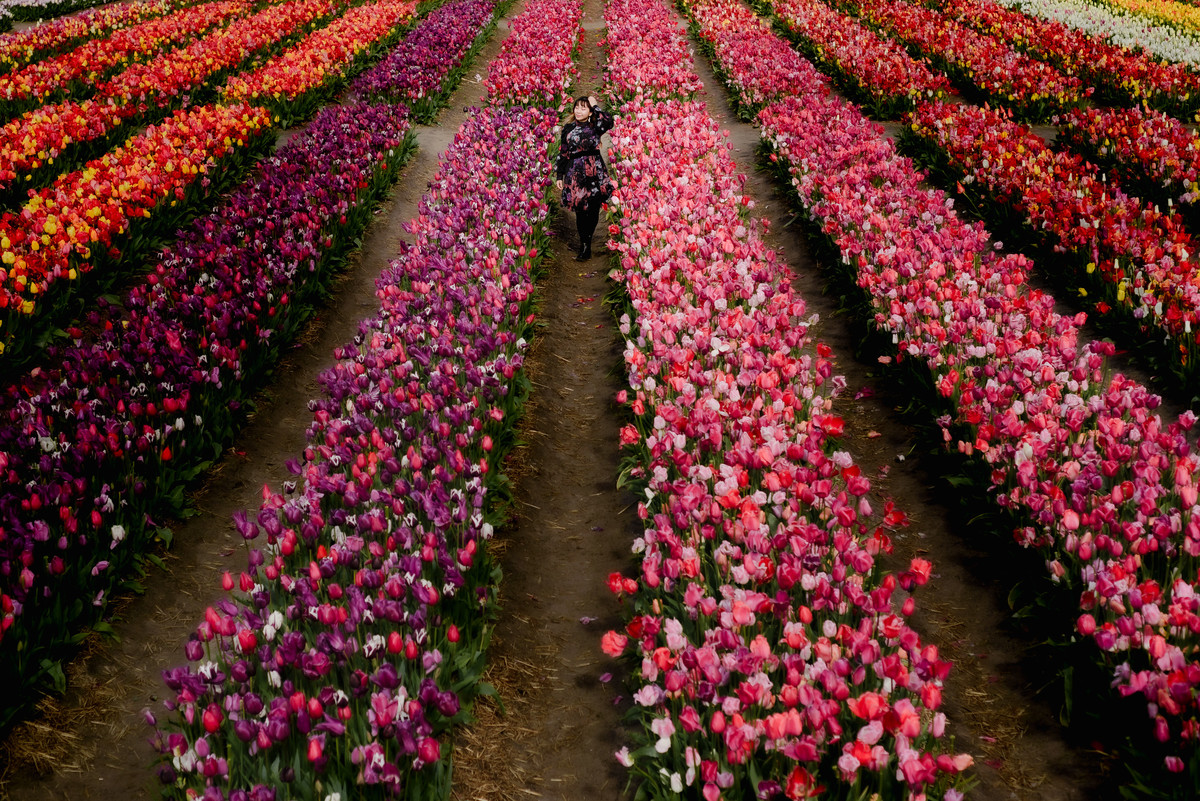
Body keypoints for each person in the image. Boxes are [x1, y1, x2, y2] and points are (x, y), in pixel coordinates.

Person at [555, 94, 614, 261]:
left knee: (594, 207)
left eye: (583, 108)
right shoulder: (568, 128)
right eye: (577, 107)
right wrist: (560, 174)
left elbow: (609, 121)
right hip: (575, 171)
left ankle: (588, 237)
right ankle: (585, 244)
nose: (579, 110)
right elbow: (564, 152)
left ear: (589, 112)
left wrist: (595, 105)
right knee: (581, 209)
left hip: (595, 169)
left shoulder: (596, 125)